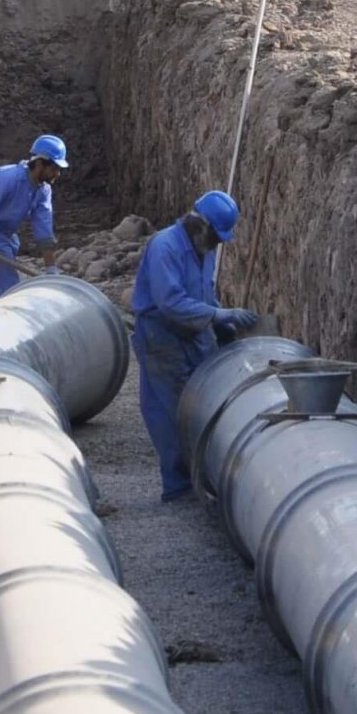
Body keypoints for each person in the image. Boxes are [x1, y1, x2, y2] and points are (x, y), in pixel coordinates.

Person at [130, 192, 259, 500]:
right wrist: (217, 314)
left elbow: (202, 293)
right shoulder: (165, 246)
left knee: (205, 399)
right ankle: (179, 487)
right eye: (215, 236)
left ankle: (201, 476)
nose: (217, 243)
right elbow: (171, 302)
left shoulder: (204, 248)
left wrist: (220, 320)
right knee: (174, 411)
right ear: (199, 225)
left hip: (193, 331)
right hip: (161, 335)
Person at [0, 136, 68, 299]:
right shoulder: (7, 178)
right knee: (5, 295)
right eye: (54, 168)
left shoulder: (43, 189)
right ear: (40, 164)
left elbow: (44, 229)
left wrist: (51, 268)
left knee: (10, 290)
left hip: (8, 236)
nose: (58, 174)